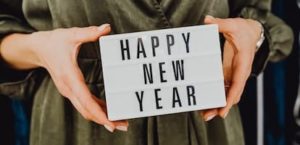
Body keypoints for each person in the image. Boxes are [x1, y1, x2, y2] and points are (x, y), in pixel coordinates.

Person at [0, 0, 293, 145]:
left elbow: (259, 16)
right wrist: (41, 48)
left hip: (207, 117)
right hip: (79, 122)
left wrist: (253, 34)